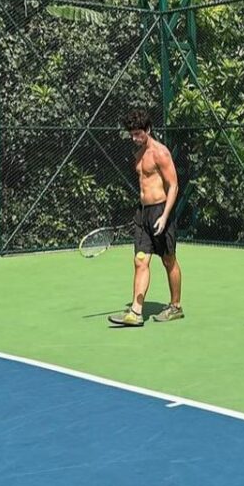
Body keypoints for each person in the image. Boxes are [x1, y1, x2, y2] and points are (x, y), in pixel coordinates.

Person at [108, 109, 183, 326]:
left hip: (161, 212)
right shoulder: (138, 154)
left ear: (148, 130)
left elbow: (174, 185)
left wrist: (165, 216)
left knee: (169, 260)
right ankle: (136, 312)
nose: (134, 138)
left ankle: (175, 306)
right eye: (132, 134)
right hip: (143, 214)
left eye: (138, 133)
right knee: (140, 261)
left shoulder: (160, 153)